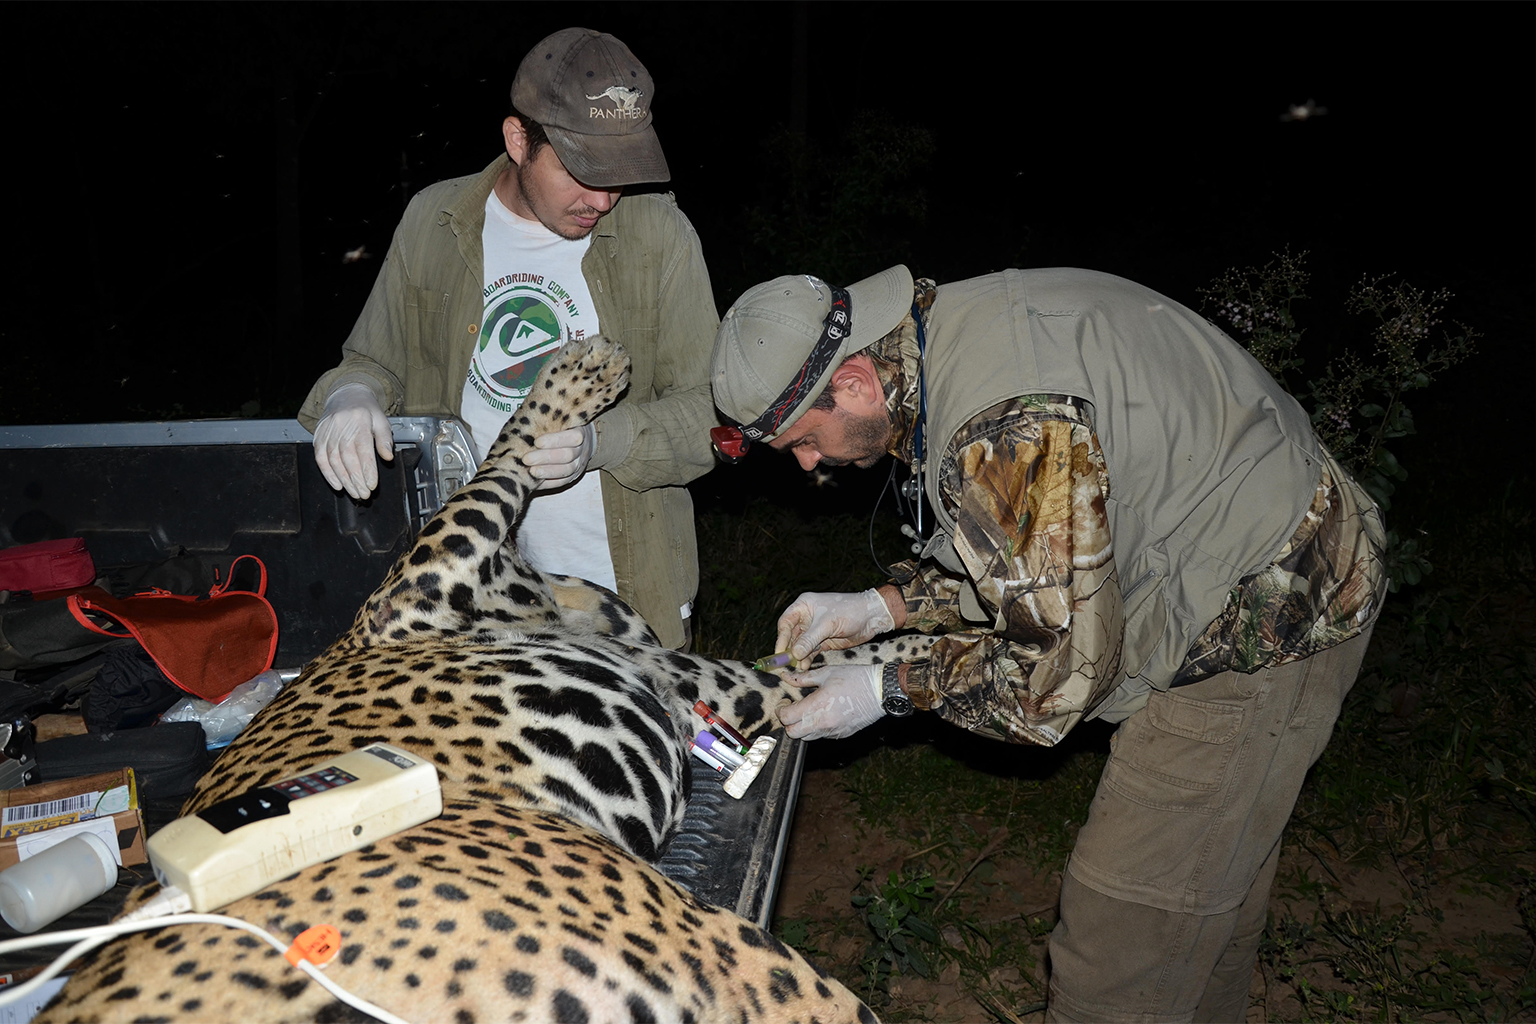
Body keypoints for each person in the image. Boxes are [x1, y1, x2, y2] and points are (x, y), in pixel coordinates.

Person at [710, 265, 1388, 1022]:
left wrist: (886, 689)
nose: (809, 466)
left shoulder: (1010, 428)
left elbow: (1057, 681)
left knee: (1121, 938)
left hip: (1267, 610)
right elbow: (1041, 558)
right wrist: (884, 606)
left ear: (858, 383)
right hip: (1233, 551)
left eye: (804, 441)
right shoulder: (944, 336)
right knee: (1202, 910)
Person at [298, 28, 720, 649]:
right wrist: (352, 394)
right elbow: (371, 360)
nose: (603, 199)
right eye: (581, 171)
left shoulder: (661, 236)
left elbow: (714, 415)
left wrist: (603, 441)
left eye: (620, 174)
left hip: (627, 598)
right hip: (467, 599)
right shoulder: (434, 222)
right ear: (518, 139)